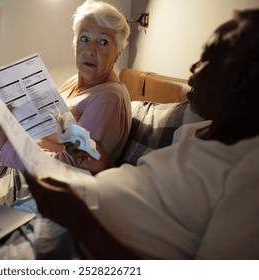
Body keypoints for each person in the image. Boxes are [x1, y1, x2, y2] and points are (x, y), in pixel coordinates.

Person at [24, 9, 259, 259]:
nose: (193, 68)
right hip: (72, 216)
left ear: (244, 78)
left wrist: (78, 219)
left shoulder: (250, 169)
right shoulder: (194, 130)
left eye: (207, 61)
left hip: (81, 244)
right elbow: (152, 195)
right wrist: (105, 166)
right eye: (84, 38)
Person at [0, 0, 132, 177]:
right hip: (23, 160)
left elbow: (70, 170)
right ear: (75, 43)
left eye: (103, 42)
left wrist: (2, 143)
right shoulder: (76, 81)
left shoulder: (108, 99)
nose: (90, 50)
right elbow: (36, 125)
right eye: (84, 38)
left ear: (118, 52)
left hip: (40, 182)